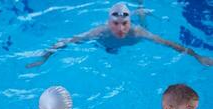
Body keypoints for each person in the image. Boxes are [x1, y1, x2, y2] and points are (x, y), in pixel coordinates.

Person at [26, 2, 213, 68]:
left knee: (144, 23)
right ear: (108, 23)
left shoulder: (137, 31)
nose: (121, 29)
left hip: (134, 36)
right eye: (116, 24)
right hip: (107, 46)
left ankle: (140, 7)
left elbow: (170, 44)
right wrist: (43, 59)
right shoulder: (99, 32)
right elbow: (65, 42)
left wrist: (198, 57)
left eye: (125, 23)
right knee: (109, 50)